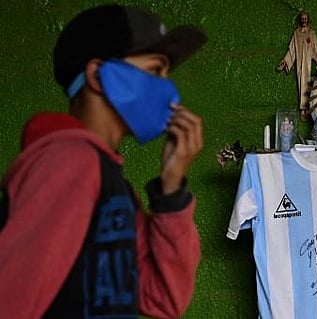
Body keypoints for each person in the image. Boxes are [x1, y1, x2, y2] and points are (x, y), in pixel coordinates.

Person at [0, 4, 207, 319]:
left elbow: (162, 299)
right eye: (154, 71)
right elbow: (11, 298)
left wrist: (171, 189)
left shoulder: (109, 180)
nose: (168, 90)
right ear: (97, 75)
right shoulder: (70, 163)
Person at [277, 10, 317, 121]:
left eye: (305, 18)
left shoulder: (311, 33)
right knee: (301, 83)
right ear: (300, 20)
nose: (304, 20)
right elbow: (292, 50)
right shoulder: (296, 34)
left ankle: (309, 107)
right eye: (302, 18)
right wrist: (286, 62)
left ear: (308, 20)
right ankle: (303, 108)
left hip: (308, 62)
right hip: (299, 62)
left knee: (309, 82)